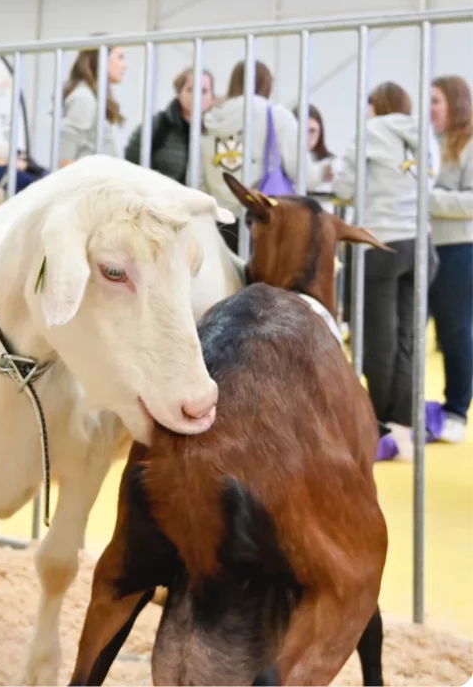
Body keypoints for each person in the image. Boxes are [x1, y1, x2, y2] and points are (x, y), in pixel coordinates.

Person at [333, 81, 439, 461]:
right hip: (421, 243)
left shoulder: (370, 132)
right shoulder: (424, 133)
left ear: (376, 105)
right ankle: (405, 423)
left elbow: (345, 187)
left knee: (378, 339)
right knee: (409, 336)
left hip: (381, 242)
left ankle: (379, 422)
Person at [202, 60, 323, 253]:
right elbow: (305, 176)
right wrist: (324, 171)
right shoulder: (276, 116)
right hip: (263, 224)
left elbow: (199, 180)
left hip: (217, 225)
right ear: (267, 85)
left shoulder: (209, 120)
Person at [428, 75, 473, 444]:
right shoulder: (431, 143)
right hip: (429, 246)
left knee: (456, 329)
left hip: (460, 247)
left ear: (454, 104)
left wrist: (427, 198)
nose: (429, 108)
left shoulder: (469, 145)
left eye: (436, 101)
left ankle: (458, 409)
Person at [125, 66, 214, 183]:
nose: (197, 96)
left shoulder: (217, 131)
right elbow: (130, 164)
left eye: (204, 91)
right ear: (179, 92)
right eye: (191, 90)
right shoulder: (157, 125)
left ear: (212, 96)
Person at [58, 45, 127, 165]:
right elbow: (65, 155)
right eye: (120, 57)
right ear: (101, 58)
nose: (125, 65)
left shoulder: (93, 97)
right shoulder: (83, 97)